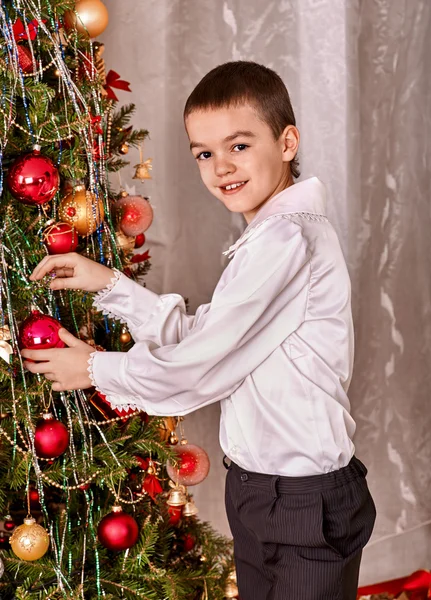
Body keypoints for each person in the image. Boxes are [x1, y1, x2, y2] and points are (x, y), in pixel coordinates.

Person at [22, 61, 376, 600]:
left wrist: (92, 367)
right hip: (262, 491)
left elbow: (202, 364)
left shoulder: (286, 241)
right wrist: (111, 285)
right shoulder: (268, 239)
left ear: (287, 142)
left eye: (238, 146)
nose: (220, 168)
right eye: (205, 154)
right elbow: (207, 335)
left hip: (305, 502)